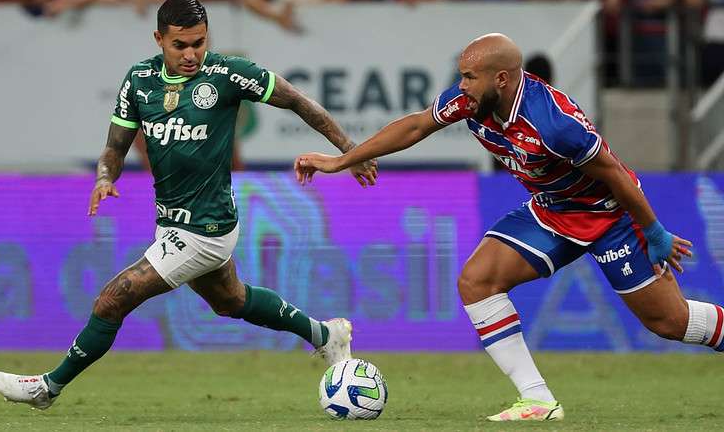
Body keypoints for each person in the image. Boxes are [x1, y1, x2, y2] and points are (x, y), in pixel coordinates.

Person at [294, 33, 714, 422]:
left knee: (669, 323)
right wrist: (340, 161)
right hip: (551, 212)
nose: (461, 86)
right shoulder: (469, 101)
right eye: (461, 75)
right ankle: (537, 399)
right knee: (476, 282)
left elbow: (616, 174)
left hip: (610, 217)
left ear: (501, 78)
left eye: (469, 77)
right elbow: (416, 125)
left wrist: (653, 231)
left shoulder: (554, 124)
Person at [0, 0, 377, 410]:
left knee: (113, 298)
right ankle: (325, 335)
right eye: (181, 45)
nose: (192, 54)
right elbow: (115, 147)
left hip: (207, 228)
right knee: (231, 300)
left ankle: (48, 387)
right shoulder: (139, 80)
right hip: (171, 223)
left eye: (199, 43)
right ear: (159, 39)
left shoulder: (228, 74)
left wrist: (349, 152)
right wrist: (105, 177)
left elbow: (298, 101)